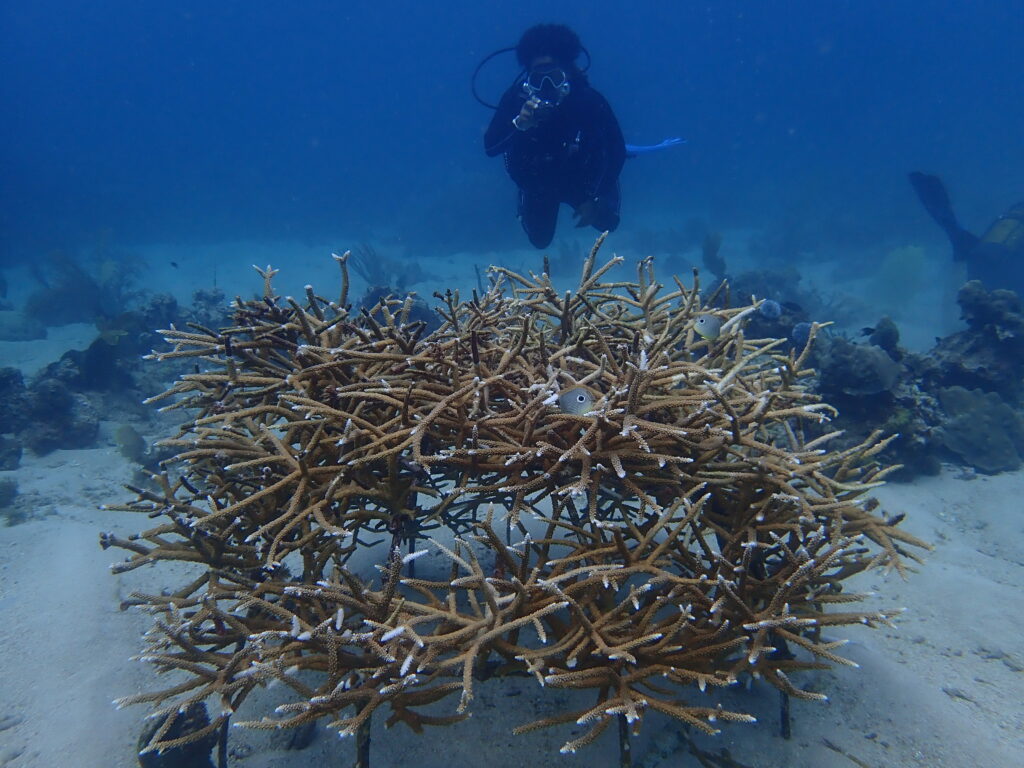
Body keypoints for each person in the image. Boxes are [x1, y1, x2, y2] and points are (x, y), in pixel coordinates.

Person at [484, 24, 626, 249]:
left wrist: (595, 197)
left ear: (568, 71)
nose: (546, 85)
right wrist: (518, 124)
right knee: (539, 240)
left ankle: (596, 200)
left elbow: (617, 149)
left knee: (608, 223)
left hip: (582, 179)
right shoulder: (515, 99)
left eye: (553, 75)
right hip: (539, 181)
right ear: (528, 76)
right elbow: (490, 147)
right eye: (538, 78)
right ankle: (528, 201)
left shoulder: (587, 99)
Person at [908, 171, 1024, 296]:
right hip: (1001, 277)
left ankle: (945, 216)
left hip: (980, 264)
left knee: (955, 232)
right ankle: (947, 220)